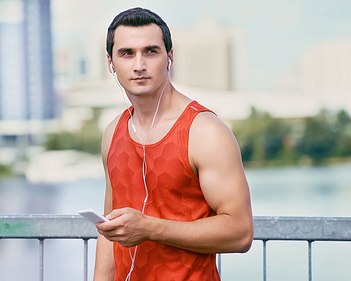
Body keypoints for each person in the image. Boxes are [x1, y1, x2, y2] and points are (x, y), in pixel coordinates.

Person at [94, 7, 254, 281]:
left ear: (169, 58)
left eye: (151, 51)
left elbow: (240, 233)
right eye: (127, 53)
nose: (139, 65)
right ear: (111, 62)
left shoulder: (204, 131)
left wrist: (149, 228)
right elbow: (111, 233)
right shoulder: (112, 133)